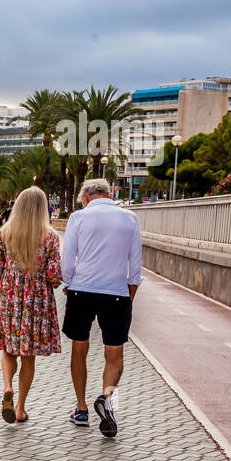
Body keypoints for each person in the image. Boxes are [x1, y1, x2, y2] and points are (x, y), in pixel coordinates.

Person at [60, 178, 143, 437]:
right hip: (116, 294)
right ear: (110, 193)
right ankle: (107, 398)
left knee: (79, 349)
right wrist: (129, 294)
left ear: (85, 197)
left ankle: (82, 409)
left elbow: (67, 258)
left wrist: (68, 284)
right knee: (114, 355)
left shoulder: (78, 218)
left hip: (82, 290)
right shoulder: (130, 218)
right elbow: (136, 263)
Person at [0, 186, 62, 424]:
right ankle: (19, 407)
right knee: (28, 357)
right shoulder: (49, 237)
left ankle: (7, 387)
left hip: (9, 299)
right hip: (36, 304)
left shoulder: (5, 234)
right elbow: (54, 276)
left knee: (9, 350)